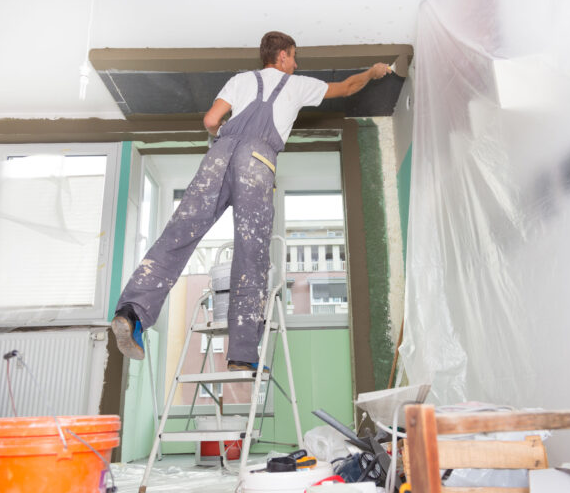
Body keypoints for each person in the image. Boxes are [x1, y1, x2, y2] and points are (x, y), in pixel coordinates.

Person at [112, 31, 389, 370]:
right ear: (283, 57)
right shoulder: (297, 85)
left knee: (177, 236)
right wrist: (373, 73)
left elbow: (211, 120)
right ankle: (242, 354)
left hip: (218, 157)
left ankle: (131, 313)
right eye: (294, 56)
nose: (297, 62)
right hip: (257, 163)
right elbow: (346, 87)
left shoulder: (241, 80)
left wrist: (224, 138)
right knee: (251, 253)